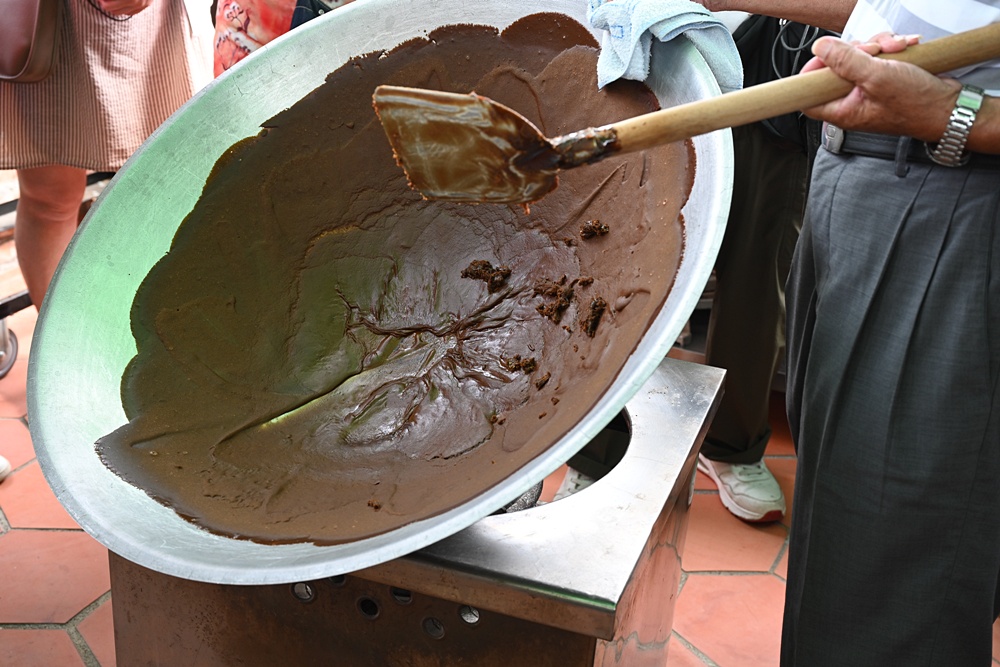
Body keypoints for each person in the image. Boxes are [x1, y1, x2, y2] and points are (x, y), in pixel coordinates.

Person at [699, 0, 1000, 663]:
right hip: (857, 164)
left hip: (952, 188)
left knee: (891, 588)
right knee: (842, 541)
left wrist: (960, 117)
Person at [697, 15, 830, 523]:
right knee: (633, 262)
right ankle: (599, 450)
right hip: (656, 59)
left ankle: (730, 445)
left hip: (777, 85)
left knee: (758, 277)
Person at [0, 0, 214, 309]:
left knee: (173, 181)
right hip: (45, 17)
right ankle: (63, 343)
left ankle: (176, 322)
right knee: (50, 200)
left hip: (155, 19)